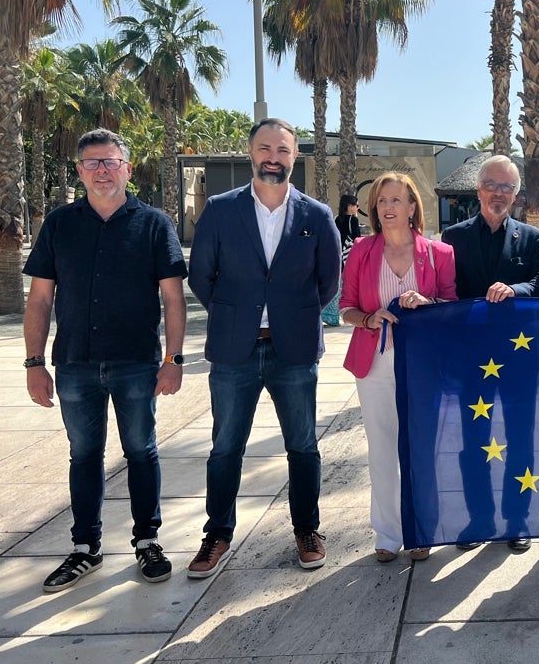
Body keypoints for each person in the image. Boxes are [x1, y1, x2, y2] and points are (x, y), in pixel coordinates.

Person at [23, 128, 187, 592]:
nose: (101, 170)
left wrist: (173, 357)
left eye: (110, 161)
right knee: (84, 455)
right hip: (74, 364)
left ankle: (147, 540)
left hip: (137, 362)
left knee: (141, 450)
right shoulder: (59, 224)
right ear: (79, 171)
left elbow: (173, 299)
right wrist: (34, 362)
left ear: (127, 168)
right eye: (92, 163)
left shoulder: (154, 224)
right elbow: (39, 299)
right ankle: (85, 549)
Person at [187, 118, 341, 578]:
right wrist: (238, 313)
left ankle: (307, 529)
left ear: (295, 157)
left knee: (303, 447)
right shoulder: (219, 208)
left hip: (293, 350)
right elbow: (201, 275)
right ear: (251, 152)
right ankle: (217, 535)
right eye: (265, 148)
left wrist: (293, 313)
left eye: (284, 149)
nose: (274, 156)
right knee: (225, 448)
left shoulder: (317, 215)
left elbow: (328, 281)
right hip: (235, 350)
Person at [340, 172, 456, 563]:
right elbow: (346, 310)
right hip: (374, 364)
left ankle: (422, 529)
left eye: (396, 200)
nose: (388, 207)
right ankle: (388, 533)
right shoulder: (361, 251)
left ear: (412, 207)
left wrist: (427, 303)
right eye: (381, 201)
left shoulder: (439, 254)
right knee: (383, 448)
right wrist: (369, 319)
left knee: (422, 446)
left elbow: (450, 306)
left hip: (423, 366)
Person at [441, 155, 539, 552]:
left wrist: (513, 290)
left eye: (507, 187)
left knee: (520, 438)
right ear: (479, 188)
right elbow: (443, 290)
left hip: (520, 359)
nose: (499, 193)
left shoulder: (533, 238)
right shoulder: (452, 238)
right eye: (492, 184)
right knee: (474, 440)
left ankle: (517, 519)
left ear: (516, 195)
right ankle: (480, 518)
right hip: (472, 360)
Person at [322, 195, 361, 326]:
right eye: (356, 205)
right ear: (349, 206)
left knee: (337, 285)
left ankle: (329, 315)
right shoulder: (353, 221)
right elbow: (357, 240)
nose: (357, 208)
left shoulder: (337, 219)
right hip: (349, 257)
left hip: (338, 255)